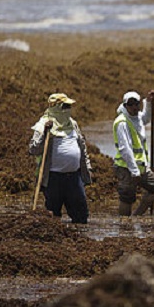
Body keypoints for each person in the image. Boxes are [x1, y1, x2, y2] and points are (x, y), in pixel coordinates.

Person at [28, 93, 92, 224]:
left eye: (69, 106)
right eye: (65, 106)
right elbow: (33, 150)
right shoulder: (43, 124)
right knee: (53, 214)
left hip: (74, 177)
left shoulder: (72, 123)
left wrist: (87, 166)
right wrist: (45, 133)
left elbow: (82, 146)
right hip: (54, 178)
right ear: (57, 107)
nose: (68, 109)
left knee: (81, 215)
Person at [113, 90, 154, 217]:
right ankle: (124, 226)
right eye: (131, 105)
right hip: (126, 167)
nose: (134, 107)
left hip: (141, 166)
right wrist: (134, 171)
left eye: (137, 104)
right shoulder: (122, 122)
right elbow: (125, 149)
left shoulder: (137, 117)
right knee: (127, 198)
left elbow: (145, 118)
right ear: (125, 106)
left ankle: (136, 216)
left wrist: (149, 103)